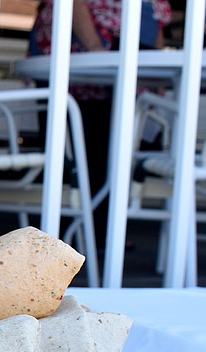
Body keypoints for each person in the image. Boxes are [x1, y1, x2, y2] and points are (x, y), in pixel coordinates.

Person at [27, 0, 173, 247]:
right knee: (71, 158)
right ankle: (56, 239)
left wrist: (151, 68)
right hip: (76, 67)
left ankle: (101, 233)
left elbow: (155, 23)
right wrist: (95, 46)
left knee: (110, 155)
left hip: (121, 78)